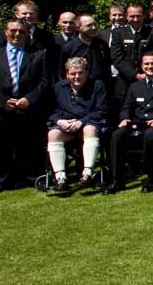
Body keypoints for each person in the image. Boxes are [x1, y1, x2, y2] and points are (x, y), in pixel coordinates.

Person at [105, 52, 153, 194]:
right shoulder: (135, 86)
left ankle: (150, 178)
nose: (150, 66)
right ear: (141, 66)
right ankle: (117, 180)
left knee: (151, 135)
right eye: (146, 64)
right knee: (117, 135)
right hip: (137, 125)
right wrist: (124, 118)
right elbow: (127, 107)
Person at [0, 19, 49, 192]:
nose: (17, 34)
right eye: (13, 31)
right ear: (5, 32)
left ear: (27, 33)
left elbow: (45, 81)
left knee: (28, 144)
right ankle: (0, 180)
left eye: (21, 31)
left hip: (28, 107)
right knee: (0, 147)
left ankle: (30, 177)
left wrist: (29, 99)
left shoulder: (38, 54)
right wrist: (1, 100)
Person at [46, 57, 107, 191]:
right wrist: (60, 121)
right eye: (73, 74)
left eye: (80, 73)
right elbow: (50, 110)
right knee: (53, 134)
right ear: (67, 74)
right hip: (66, 125)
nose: (77, 76)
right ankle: (60, 177)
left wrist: (81, 122)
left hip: (89, 123)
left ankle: (88, 173)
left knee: (89, 129)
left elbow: (101, 110)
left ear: (87, 73)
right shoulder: (59, 87)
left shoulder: (97, 86)